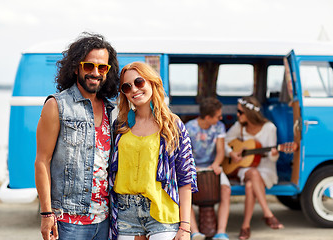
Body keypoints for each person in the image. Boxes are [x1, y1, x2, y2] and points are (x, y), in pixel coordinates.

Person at [34, 32, 119, 240]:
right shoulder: (57, 105)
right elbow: (42, 162)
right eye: (89, 66)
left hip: (105, 220)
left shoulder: (111, 110)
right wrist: (46, 214)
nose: (95, 72)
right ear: (76, 67)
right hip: (69, 222)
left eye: (102, 67)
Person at [109, 62, 198, 240]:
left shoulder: (172, 124)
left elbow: (185, 176)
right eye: (127, 87)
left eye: (139, 82)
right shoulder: (120, 125)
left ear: (152, 82)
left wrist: (186, 226)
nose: (134, 89)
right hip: (126, 212)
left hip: (162, 210)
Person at [225, 96, 284, 240]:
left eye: (240, 112)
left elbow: (272, 158)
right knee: (252, 172)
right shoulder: (239, 127)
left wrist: (274, 154)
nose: (237, 115)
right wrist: (232, 153)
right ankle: (267, 213)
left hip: (266, 168)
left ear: (249, 113)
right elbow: (225, 142)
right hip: (246, 168)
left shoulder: (269, 128)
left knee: (250, 186)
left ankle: (245, 226)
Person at [185, 97, 231, 240]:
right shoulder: (189, 127)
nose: (220, 118)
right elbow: (185, 153)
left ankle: (221, 231)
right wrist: (194, 168)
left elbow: (221, 151)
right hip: (192, 167)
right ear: (208, 117)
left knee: (226, 189)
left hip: (213, 166)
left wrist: (216, 164)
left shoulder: (219, 127)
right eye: (218, 116)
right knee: (185, 192)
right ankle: (195, 232)